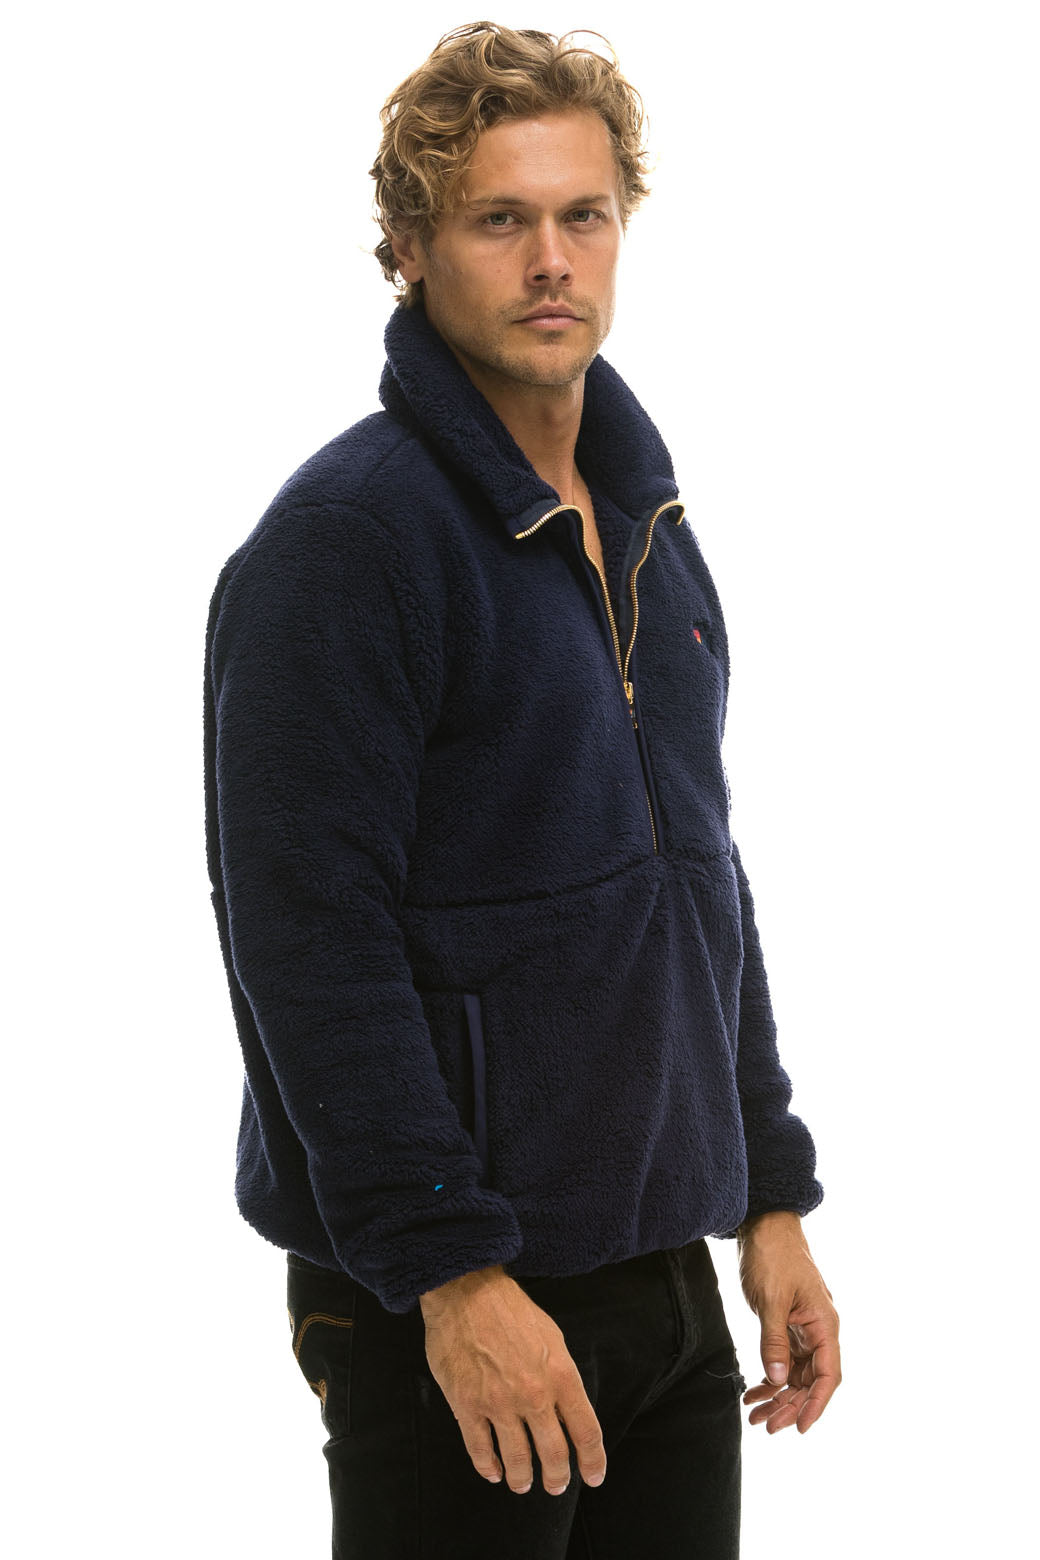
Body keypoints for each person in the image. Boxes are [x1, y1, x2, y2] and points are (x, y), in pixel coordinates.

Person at [203, 21, 841, 1559]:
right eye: (500, 219)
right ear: (411, 249)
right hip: (451, 1297)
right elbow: (305, 936)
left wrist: (766, 1193)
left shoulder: (647, 527)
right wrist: (449, 1273)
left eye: (582, 214)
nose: (552, 260)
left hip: (662, 1275)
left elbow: (701, 876)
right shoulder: (346, 546)